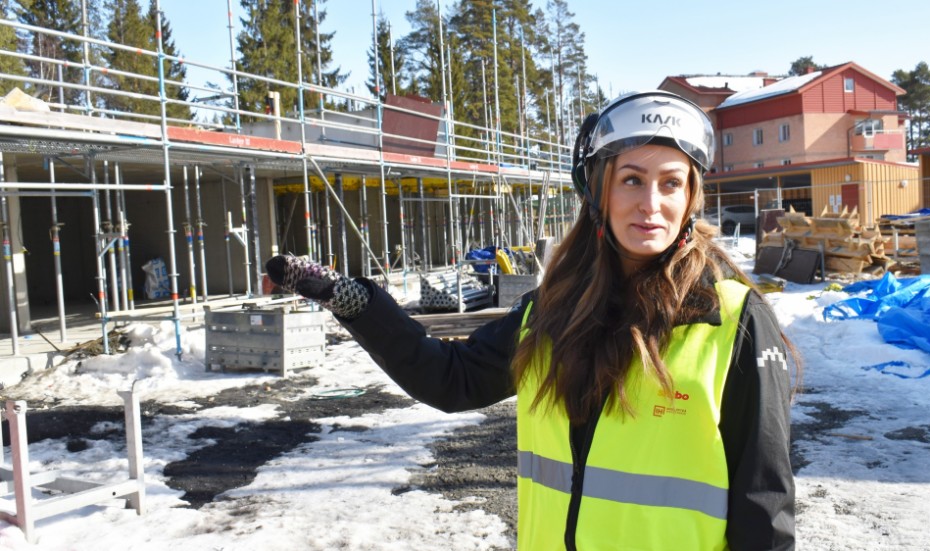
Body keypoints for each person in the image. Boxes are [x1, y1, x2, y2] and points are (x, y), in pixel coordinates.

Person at [266, 90, 797, 551]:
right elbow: (451, 379)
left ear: (690, 198)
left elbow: (764, 512)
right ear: (598, 190)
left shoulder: (731, 323)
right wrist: (357, 303)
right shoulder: (552, 312)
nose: (651, 204)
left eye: (671, 183)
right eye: (631, 180)